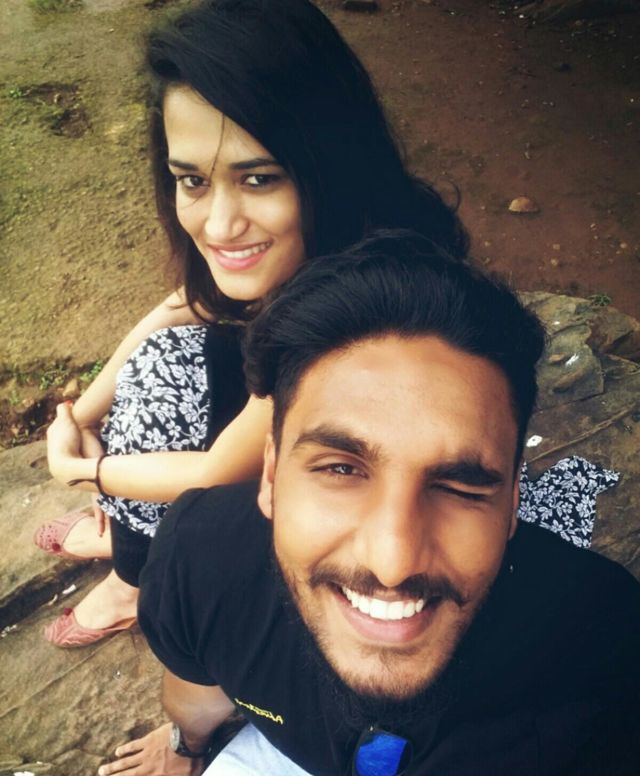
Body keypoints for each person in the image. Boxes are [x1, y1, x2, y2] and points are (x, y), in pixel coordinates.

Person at [136, 231, 640, 776]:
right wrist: (185, 746)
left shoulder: (606, 655)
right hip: (279, 767)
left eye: (460, 486)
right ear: (270, 476)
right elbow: (195, 695)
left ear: (512, 503)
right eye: (340, 469)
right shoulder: (201, 554)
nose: (393, 562)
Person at [39, 0, 468, 643]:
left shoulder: (361, 302)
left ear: (325, 162)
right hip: (280, 437)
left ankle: (136, 580)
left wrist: (84, 471)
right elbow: (186, 303)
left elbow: (216, 470)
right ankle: (133, 533)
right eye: (192, 181)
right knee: (167, 359)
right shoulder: (327, 236)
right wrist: (83, 414)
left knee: (166, 392)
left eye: (259, 179)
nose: (219, 224)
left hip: (346, 517)